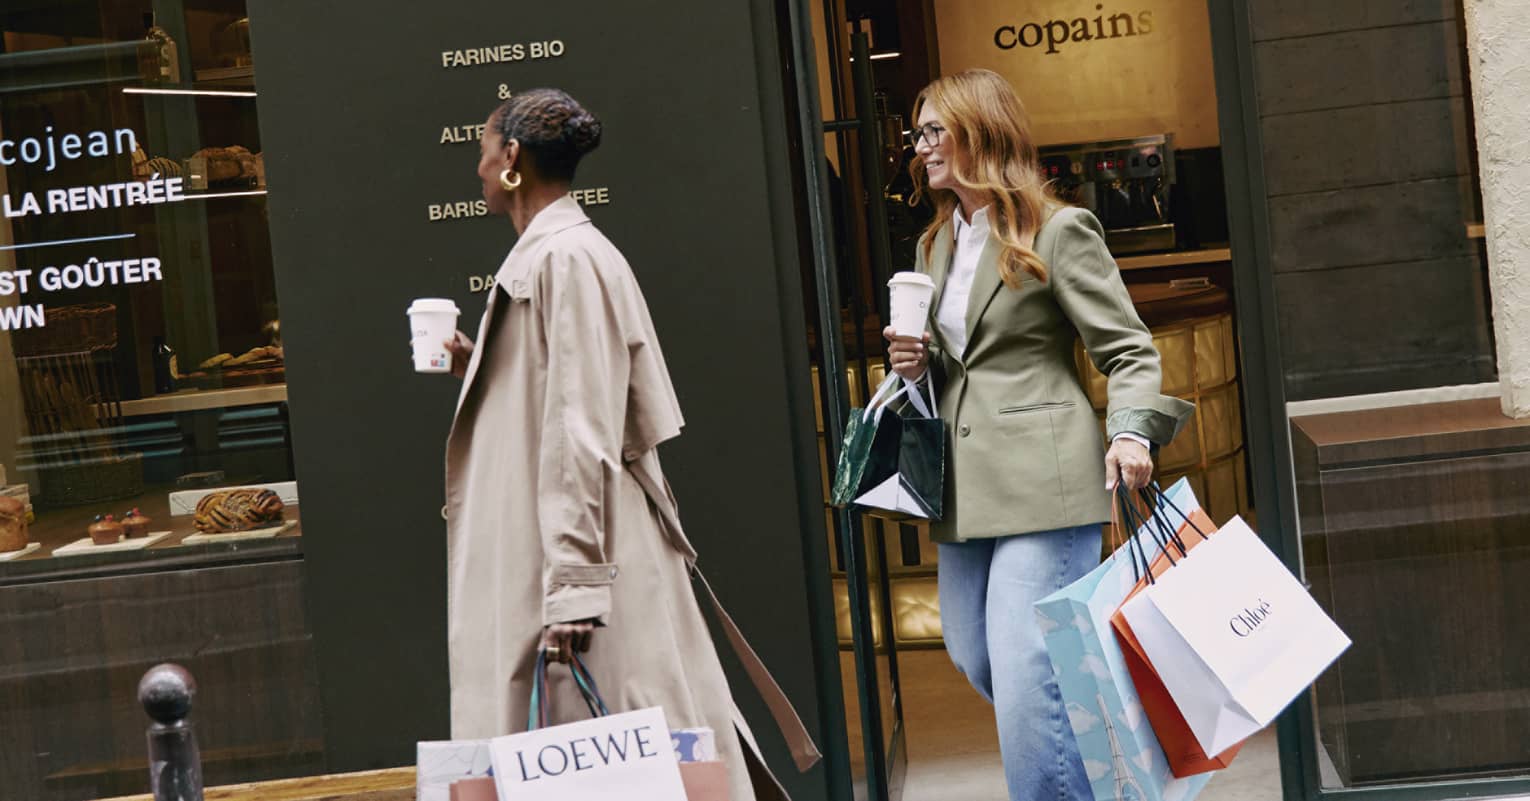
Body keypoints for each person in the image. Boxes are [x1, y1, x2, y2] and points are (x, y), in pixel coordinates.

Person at [441, 88, 810, 801]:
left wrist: (574, 589)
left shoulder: (566, 258)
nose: (479, 166)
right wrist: (480, 361)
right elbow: (566, 394)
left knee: (617, 765)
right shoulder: (554, 256)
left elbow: (583, 425)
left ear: (512, 157)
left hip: (581, 570)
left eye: (484, 149)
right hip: (570, 562)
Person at [885, 69, 1193, 801]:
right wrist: (916, 362)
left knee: (1029, 673)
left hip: (1045, 482)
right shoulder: (937, 243)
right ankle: (1112, 757)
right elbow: (957, 372)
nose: (920, 147)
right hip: (963, 488)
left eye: (934, 131)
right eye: (918, 133)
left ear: (979, 133)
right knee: (975, 653)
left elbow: (1128, 349)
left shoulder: (1057, 231)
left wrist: (1131, 434)